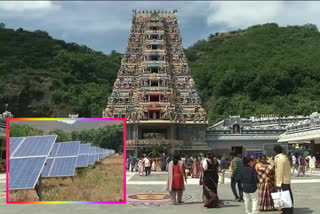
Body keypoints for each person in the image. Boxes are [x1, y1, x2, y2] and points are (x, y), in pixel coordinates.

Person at [274, 145, 293, 214]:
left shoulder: (279, 159)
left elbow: (280, 171)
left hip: (283, 180)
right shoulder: (285, 157)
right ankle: (289, 210)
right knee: (288, 195)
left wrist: (278, 183)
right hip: (286, 179)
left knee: (285, 196)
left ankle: (287, 211)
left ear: (275, 151)